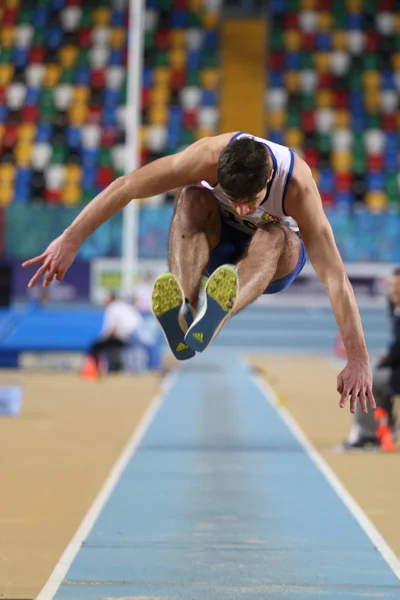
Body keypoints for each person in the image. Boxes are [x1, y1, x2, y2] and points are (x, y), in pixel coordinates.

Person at [22, 132, 374, 414]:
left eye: (249, 200)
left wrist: (358, 357)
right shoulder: (207, 154)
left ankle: (216, 312)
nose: (240, 208)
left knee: (272, 235)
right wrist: (71, 238)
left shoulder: (297, 187)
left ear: (269, 177)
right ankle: (185, 310)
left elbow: (334, 278)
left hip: (271, 261)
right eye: (233, 198)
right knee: (191, 196)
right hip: (215, 242)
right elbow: (128, 186)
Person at [344, 269, 400, 450]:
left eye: (398, 287)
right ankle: (387, 427)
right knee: (377, 377)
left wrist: (386, 362)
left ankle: (368, 434)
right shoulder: (395, 309)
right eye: (391, 286)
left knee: (367, 381)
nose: (393, 291)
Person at [86, 292, 143, 372]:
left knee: (102, 345)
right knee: (133, 351)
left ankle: (103, 368)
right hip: (137, 330)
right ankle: (134, 369)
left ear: (111, 299)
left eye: (106, 299)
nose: (104, 301)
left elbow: (112, 327)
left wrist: (104, 338)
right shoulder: (122, 305)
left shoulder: (112, 307)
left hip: (127, 332)